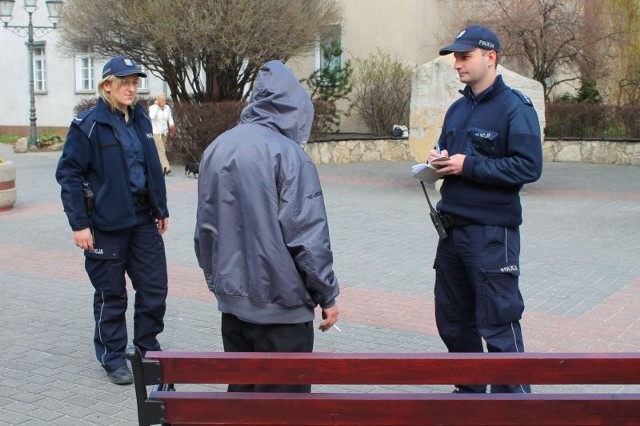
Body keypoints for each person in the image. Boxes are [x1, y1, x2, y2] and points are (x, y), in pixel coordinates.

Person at [194, 60, 340, 393]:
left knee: (243, 402)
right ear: (295, 109)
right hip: (282, 310)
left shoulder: (216, 148)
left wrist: (218, 282)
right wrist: (327, 294)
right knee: (284, 409)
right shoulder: (290, 155)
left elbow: (204, 229)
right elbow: (307, 238)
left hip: (234, 308)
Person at [428, 26, 543, 393]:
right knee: (454, 320)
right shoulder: (458, 109)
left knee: (498, 321)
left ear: (489, 57)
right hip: (452, 233)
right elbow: (451, 156)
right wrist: (438, 161)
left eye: (464, 57)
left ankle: (514, 408)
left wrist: (468, 166)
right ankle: (470, 397)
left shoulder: (515, 107)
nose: (456, 64)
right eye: (455, 58)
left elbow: (528, 167)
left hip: (492, 236)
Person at [56, 55, 170, 385]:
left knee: (154, 289)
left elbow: (151, 168)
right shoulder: (88, 125)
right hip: (105, 225)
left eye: (135, 82)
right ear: (107, 85)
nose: (132, 88)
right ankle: (114, 356)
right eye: (125, 82)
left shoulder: (141, 121)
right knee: (112, 294)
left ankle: (148, 350)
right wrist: (79, 224)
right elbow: (69, 175)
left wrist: (160, 208)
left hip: (142, 219)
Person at [148, 92, 175, 175]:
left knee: (159, 151)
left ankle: (155, 166)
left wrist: (171, 125)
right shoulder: (152, 108)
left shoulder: (167, 108)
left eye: (165, 100)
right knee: (161, 150)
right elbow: (152, 117)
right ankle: (166, 168)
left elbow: (169, 117)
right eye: (163, 101)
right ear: (158, 101)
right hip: (156, 132)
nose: (165, 102)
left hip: (164, 132)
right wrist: (156, 106)